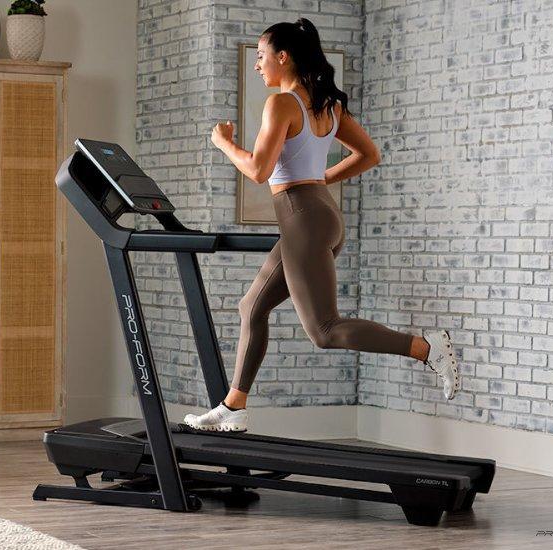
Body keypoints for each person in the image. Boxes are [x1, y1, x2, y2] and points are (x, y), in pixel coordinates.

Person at [183, 19, 460, 433]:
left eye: (261, 56)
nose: (258, 65)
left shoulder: (281, 104)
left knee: (325, 330)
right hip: (319, 215)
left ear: (283, 56)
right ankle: (233, 406)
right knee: (251, 307)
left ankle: (426, 348)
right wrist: (321, 180)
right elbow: (369, 155)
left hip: (303, 220)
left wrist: (223, 143)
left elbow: (258, 171)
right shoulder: (327, 106)